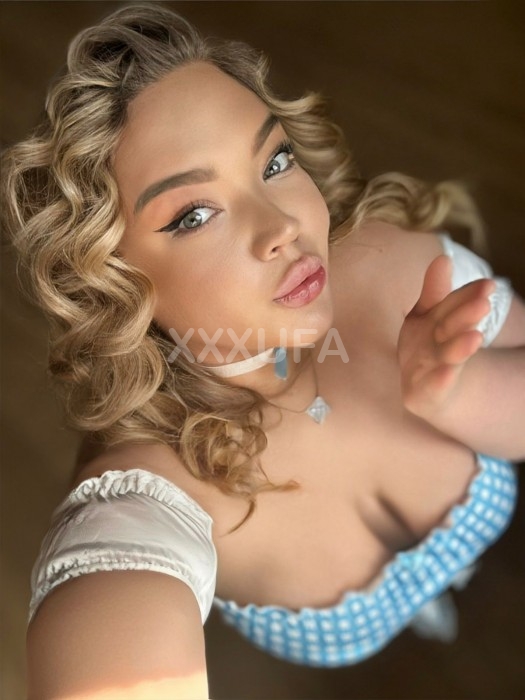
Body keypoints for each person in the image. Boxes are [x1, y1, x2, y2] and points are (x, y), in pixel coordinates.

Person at [2, 4, 524, 699]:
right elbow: (115, 614)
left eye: (274, 161)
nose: (281, 225)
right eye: (193, 214)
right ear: (114, 281)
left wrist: (462, 392)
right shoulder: (153, 493)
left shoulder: (407, 274)